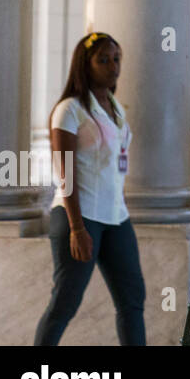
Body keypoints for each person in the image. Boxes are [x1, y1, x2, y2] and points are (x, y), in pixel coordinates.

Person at [34, 32, 146, 346]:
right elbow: (65, 173)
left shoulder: (114, 106)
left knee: (132, 300)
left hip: (117, 218)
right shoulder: (69, 110)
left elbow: (116, 165)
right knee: (65, 303)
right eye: (104, 60)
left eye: (116, 59)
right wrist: (77, 228)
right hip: (81, 218)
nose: (113, 66)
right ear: (85, 64)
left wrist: (122, 204)